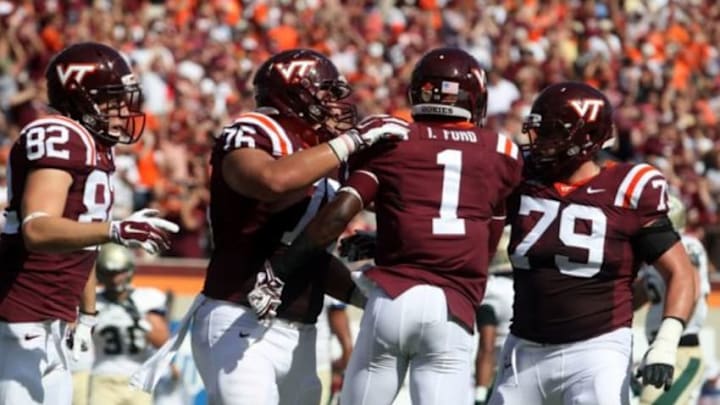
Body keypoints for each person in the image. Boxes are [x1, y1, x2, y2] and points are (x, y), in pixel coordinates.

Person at [129, 48, 409, 405]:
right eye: (325, 93)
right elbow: (271, 179)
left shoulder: (325, 154)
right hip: (238, 320)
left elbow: (308, 258)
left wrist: (365, 297)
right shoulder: (255, 129)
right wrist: (351, 142)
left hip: (303, 332)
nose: (336, 104)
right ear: (294, 94)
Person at [258, 47, 524, 405]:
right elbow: (481, 240)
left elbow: (339, 214)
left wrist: (282, 269)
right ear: (474, 98)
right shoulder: (502, 152)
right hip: (453, 308)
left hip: (394, 298)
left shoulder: (394, 140)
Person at [487, 82, 699, 405]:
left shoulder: (627, 189)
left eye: (552, 133)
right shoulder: (522, 179)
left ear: (584, 139)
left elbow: (681, 272)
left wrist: (667, 341)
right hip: (524, 349)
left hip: (596, 350)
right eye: (539, 131)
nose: (540, 142)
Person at [0, 41, 179, 405]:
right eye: (112, 100)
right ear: (80, 98)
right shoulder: (61, 134)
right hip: (16, 322)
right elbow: (38, 228)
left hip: (52, 320)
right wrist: (115, 229)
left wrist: (87, 313)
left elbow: (82, 243)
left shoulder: (96, 145)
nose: (122, 110)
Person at [633, 194, 710, 404]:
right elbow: (635, 298)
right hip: (658, 350)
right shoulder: (654, 258)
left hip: (681, 350)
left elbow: (689, 287)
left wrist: (669, 338)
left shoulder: (687, 245)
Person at [88, 243, 170, 405]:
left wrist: (139, 319)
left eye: (118, 272)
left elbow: (162, 341)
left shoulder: (146, 298)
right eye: (109, 273)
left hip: (138, 377)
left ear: (129, 270)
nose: (114, 278)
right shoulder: (93, 301)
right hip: (104, 377)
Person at [474, 226, 514, 405]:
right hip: (523, 370)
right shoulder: (525, 291)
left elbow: (487, 346)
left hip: (495, 376)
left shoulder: (492, 291)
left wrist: (480, 393)